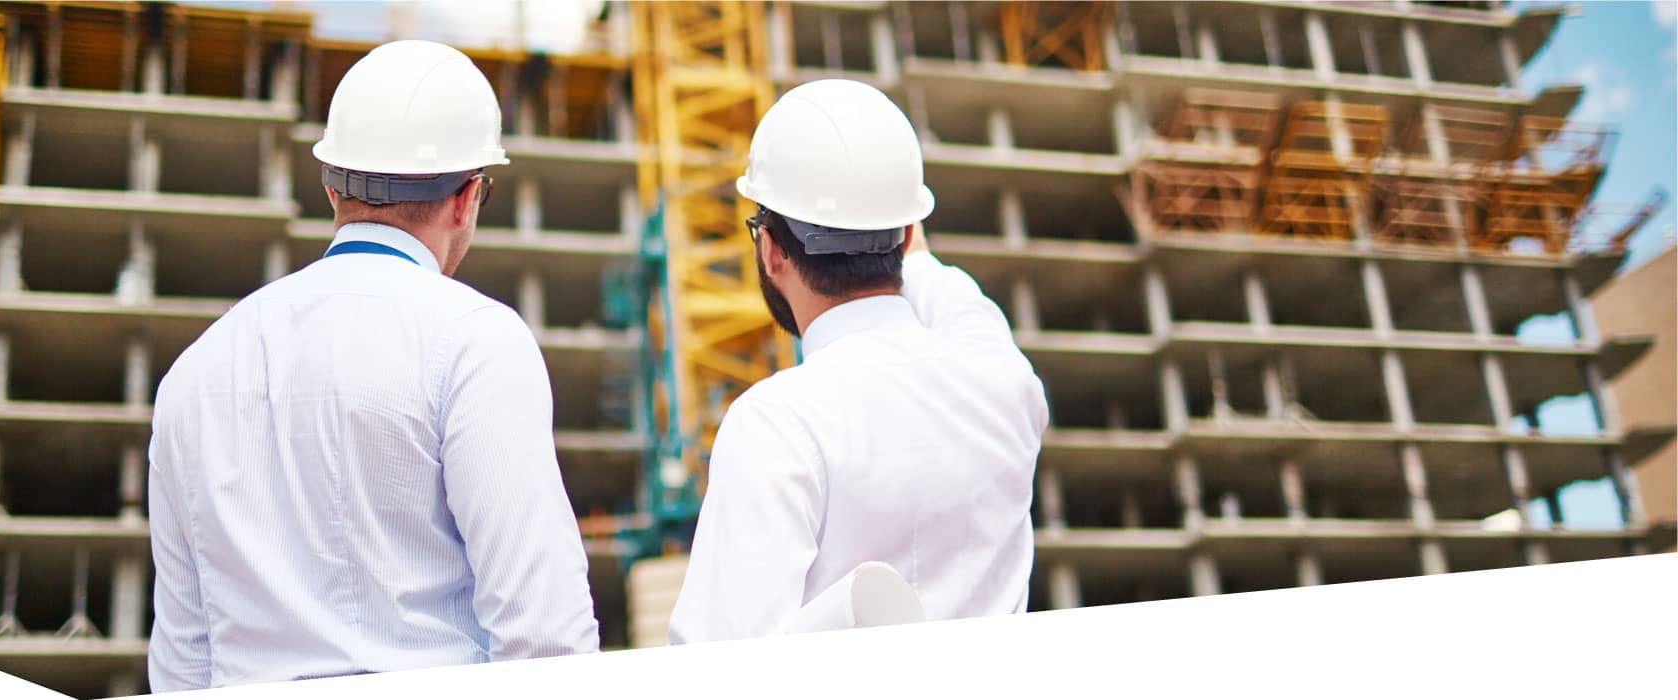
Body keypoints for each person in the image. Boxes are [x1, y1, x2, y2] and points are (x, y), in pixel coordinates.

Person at [147, 40, 597, 691]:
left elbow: (183, 658)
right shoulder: (475, 341)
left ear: (331, 185)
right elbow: (545, 637)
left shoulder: (195, 372)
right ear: (469, 198)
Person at [666, 79, 1048, 643]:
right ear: (908, 232)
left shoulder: (777, 424)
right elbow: (951, 292)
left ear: (771, 252)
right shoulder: (1004, 381)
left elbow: (720, 661)